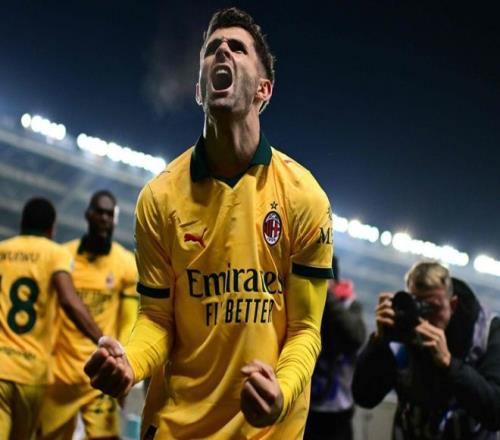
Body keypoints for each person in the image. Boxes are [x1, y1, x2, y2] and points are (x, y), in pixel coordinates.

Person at [84, 7, 334, 439]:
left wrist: (282, 390)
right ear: (200, 90)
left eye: (237, 47)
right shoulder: (159, 198)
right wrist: (130, 363)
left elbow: (305, 329)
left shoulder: (304, 196)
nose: (222, 51)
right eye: (212, 48)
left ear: (263, 89)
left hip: (264, 431)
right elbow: (156, 319)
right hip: (177, 426)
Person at [352, 260, 500, 440]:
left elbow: (495, 412)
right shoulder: (403, 329)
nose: (425, 319)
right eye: (419, 307)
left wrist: (450, 364)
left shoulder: (486, 331)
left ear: (453, 304)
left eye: (434, 308)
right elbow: (365, 397)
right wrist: (379, 343)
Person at [0, 197, 102, 440]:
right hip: (31, 373)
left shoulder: (2, 250)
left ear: (22, 223)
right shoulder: (56, 254)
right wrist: (102, 339)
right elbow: (69, 300)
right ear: (51, 228)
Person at [39, 190, 138, 440]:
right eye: (100, 212)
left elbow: (129, 321)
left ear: (115, 220)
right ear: (88, 214)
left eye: (110, 214)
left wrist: (124, 362)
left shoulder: (126, 262)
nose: (104, 218)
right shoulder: (63, 256)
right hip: (60, 375)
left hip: (101, 373)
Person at [305, 255, 366, 440]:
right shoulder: (304, 304)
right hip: (304, 408)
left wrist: (325, 295)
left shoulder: (349, 305)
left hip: (337, 414)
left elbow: (354, 337)